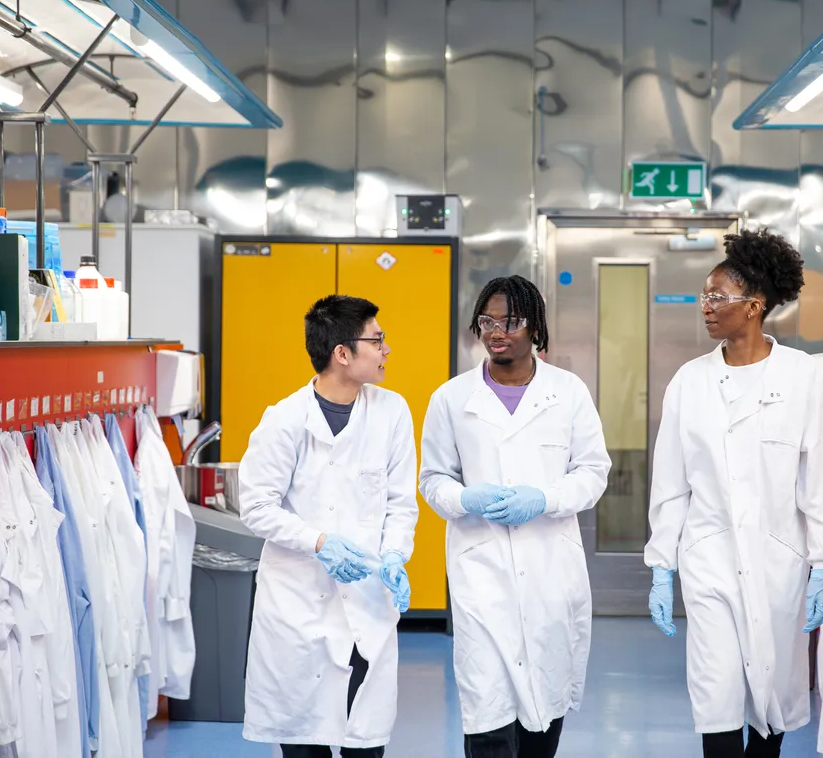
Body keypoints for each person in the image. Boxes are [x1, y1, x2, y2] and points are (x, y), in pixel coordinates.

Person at [644, 229, 823, 758]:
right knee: (718, 696)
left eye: (717, 297)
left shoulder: (802, 377)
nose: (705, 308)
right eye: (703, 297)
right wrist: (663, 566)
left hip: (778, 562)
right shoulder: (689, 381)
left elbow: (819, 480)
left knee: (771, 704)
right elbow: (670, 484)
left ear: (754, 307)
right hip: (709, 560)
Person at [419, 275, 612, 758]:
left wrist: (544, 499)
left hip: (550, 569)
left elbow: (593, 472)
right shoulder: (452, 398)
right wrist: (467, 499)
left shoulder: (568, 392)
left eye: (511, 320)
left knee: (543, 712)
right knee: (487, 712)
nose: (497, 331)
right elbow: (433, 479)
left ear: (535, 327)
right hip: (481, 573)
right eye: (488, 320)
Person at [238, 294, 418, 758]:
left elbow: (401, 502)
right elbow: (256, 506)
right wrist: (318, 541)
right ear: (342, 353)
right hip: (298, 607)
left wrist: (397, 554)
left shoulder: (391, 411)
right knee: (303, 744)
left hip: (366, 602)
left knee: (364, 744)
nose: (386, 350)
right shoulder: (285, 420)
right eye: (377, 341)